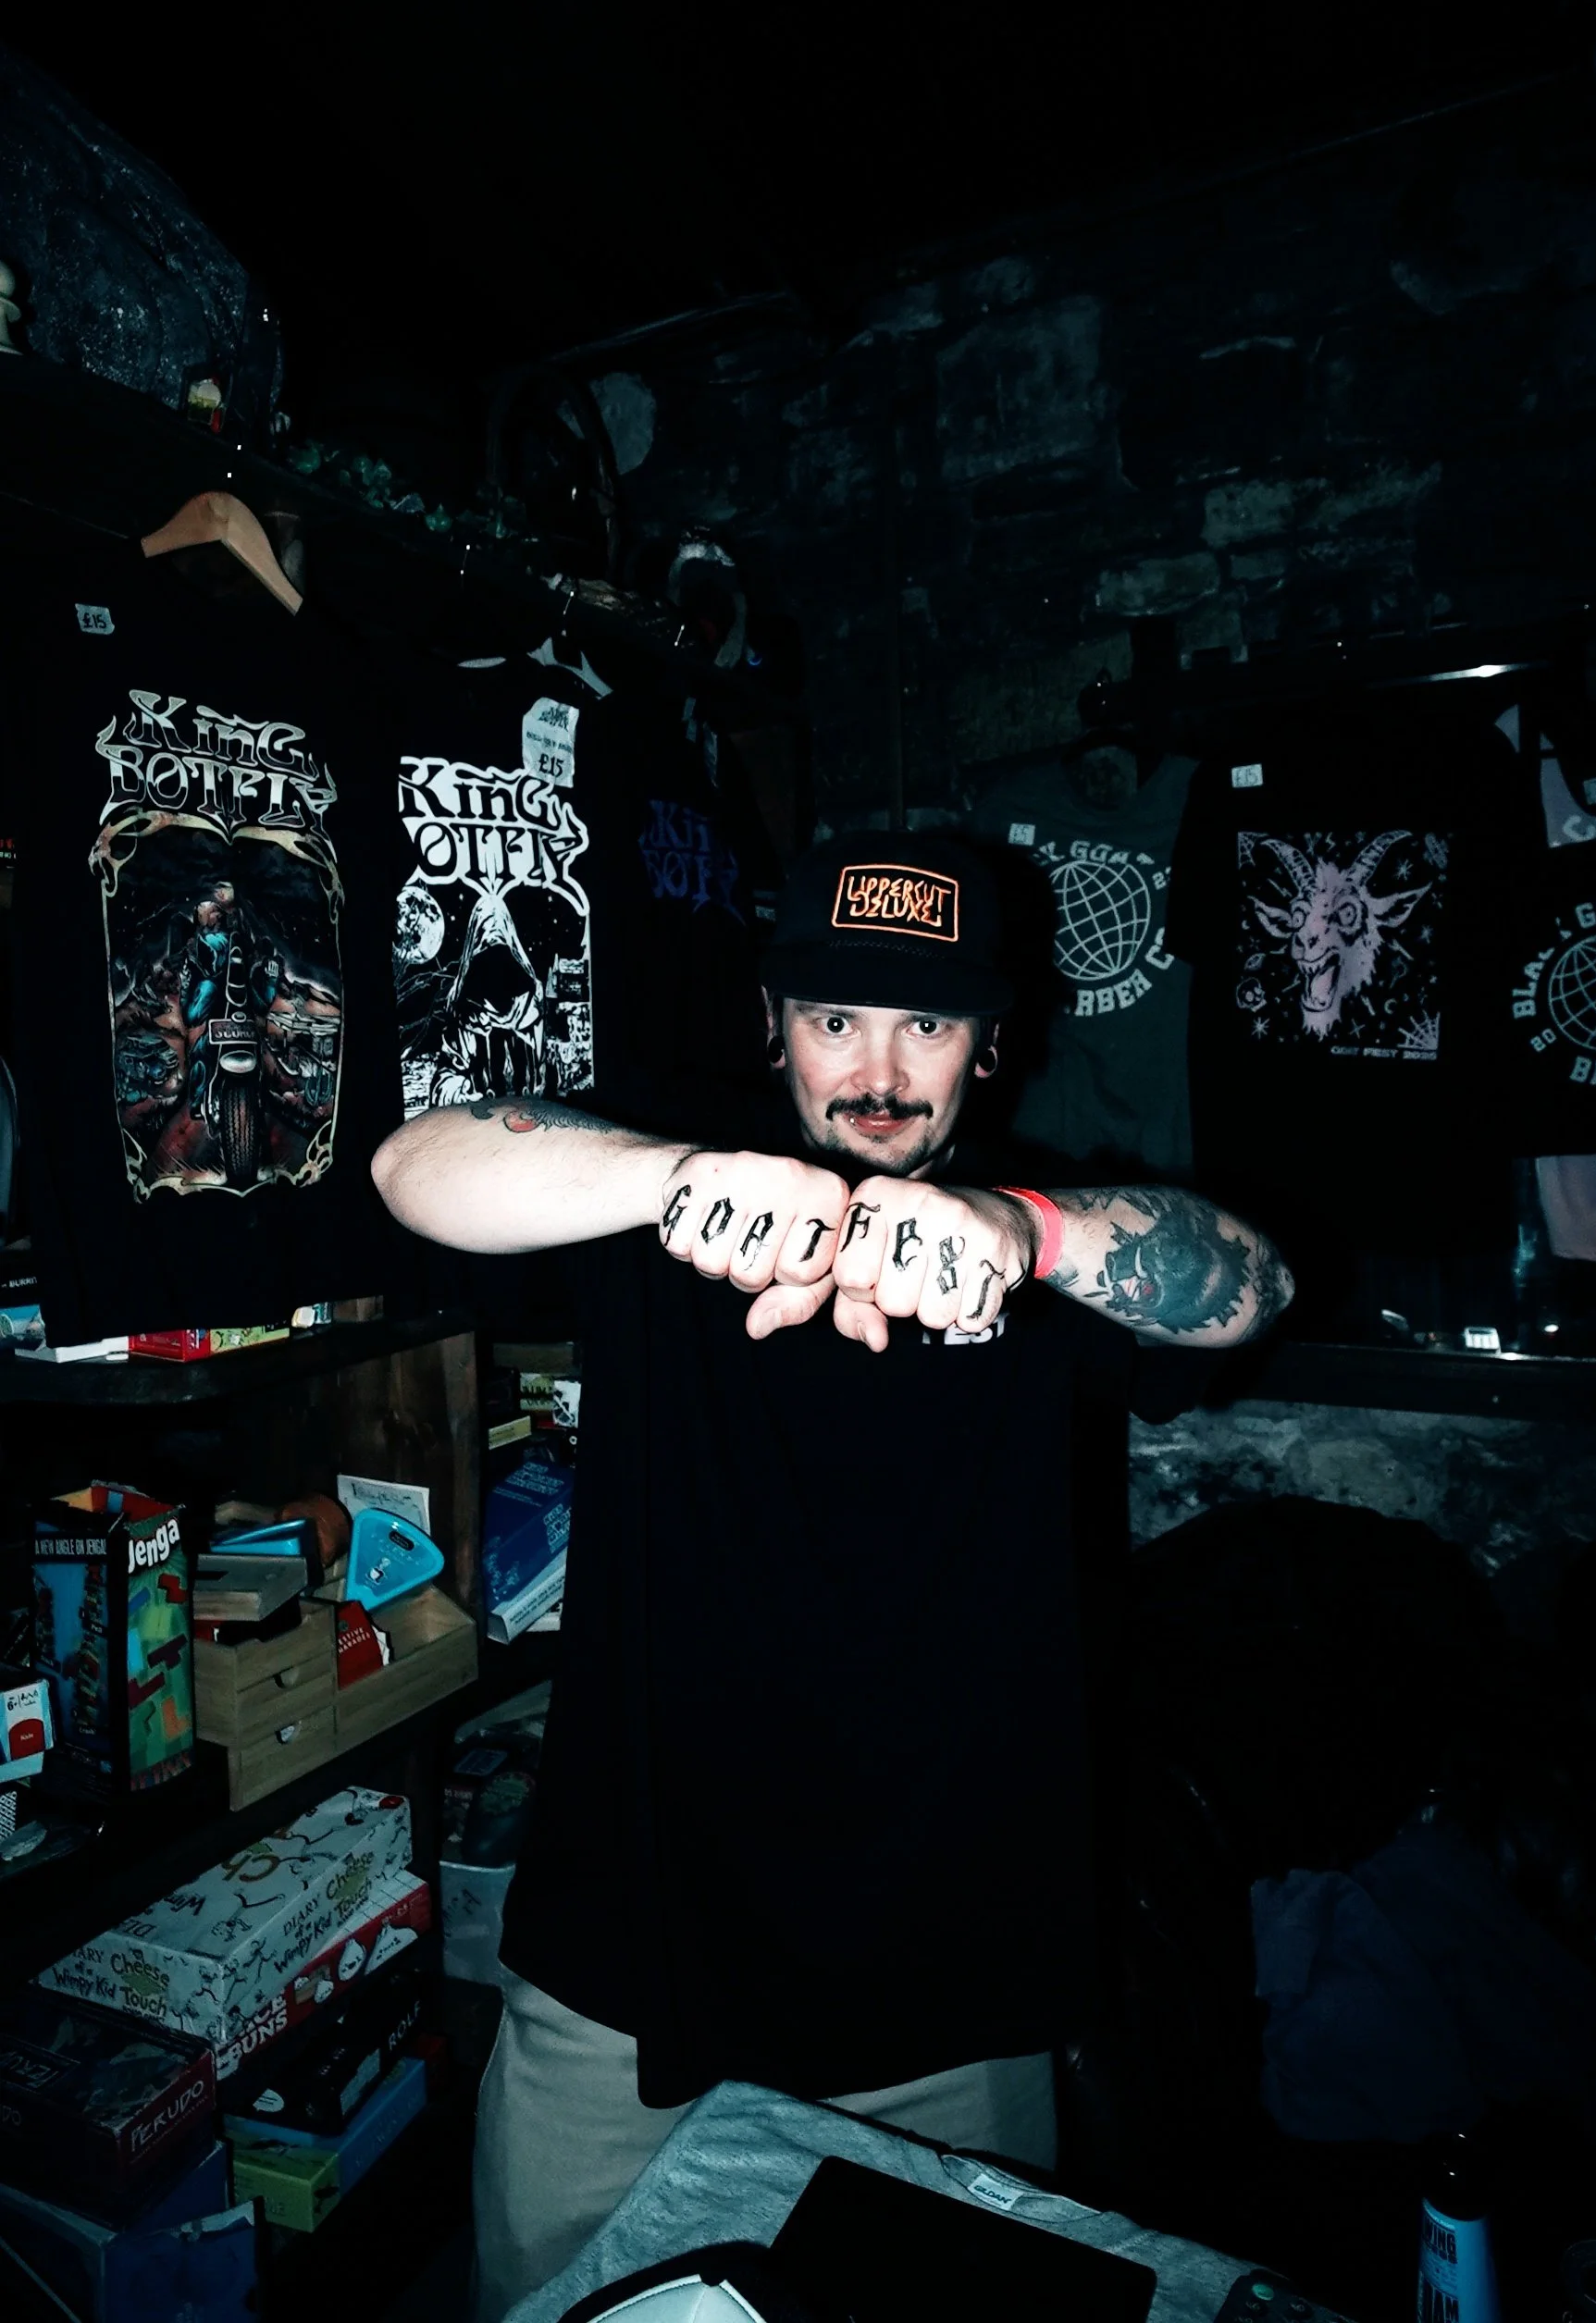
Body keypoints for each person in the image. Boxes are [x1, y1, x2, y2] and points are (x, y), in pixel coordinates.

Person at [371, 833, 1293, 2319]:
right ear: (773, 1025)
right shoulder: (662, 1205)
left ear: (989, 1046)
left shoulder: (1041, 1251)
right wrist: (678, 1180)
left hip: (953, 2001)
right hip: (625, 1980)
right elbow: (415, 1168)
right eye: (837, 1017)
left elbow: (1251, 1284)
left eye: (927, 1023)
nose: (880, 1067)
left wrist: (1024, 1232)